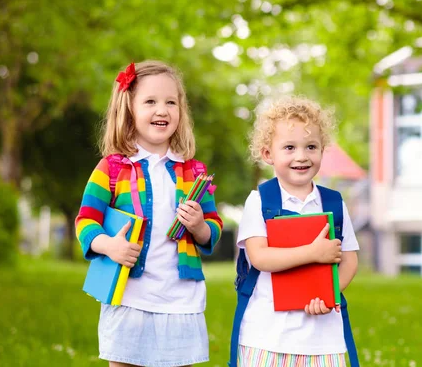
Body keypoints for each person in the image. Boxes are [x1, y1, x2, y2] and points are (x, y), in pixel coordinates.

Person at [75, 60, 223, 367]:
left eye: (171, 102)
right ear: (129, 109)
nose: (162, 110)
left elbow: (214, 227)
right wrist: (108, 245)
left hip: (180, 300)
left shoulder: (193, 171)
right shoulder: (112, 168)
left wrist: (200, 226)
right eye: (151, 101)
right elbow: (86, 221)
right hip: (129, 297)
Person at [230, 96, 360, 367]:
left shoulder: (334, 203)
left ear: (323, 150)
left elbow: (349, 260)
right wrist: (313, 252)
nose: (301, 156)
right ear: (268, 154)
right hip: (265, 338)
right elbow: (260, 257)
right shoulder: (260, 201)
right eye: (289, 147)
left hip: (322, 339)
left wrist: (329, 296)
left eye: (311, 146)